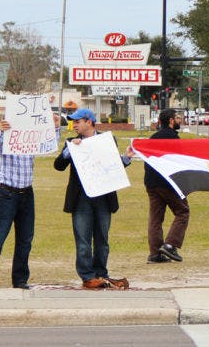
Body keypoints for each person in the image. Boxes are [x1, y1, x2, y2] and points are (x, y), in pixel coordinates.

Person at [54, 109, 135, 289]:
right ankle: (88, 277)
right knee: (83, 240)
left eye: (77, 121)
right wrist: (69, 151)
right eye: (73, 122)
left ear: (89, 121)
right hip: (81, 198)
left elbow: (114, 165)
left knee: (102, 239)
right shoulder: (71, 142)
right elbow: (58, 165)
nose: (74, 125)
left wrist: (126, 158)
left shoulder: (107, 140)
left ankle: (101, 273)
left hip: (104, 198)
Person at [0, 114, 61, 289]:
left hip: (27, 194)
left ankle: (20, 279)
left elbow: (48, 146)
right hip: (7, 193)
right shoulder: (4, 139)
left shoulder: (28, 140)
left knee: (25, 239)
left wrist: (54, 128)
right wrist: (1, 131)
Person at [144, 109, 190, 264]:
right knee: (182, 211)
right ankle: (170, 245)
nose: (179, 120)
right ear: (171, 121)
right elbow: (178, 161)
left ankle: (155, 254)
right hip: (167, 182)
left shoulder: (153, 137)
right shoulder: (173, 138)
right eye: (177, 118)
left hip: (151, 182)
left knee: (156, 218)